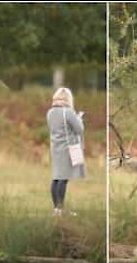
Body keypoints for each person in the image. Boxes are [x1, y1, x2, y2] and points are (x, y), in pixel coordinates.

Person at [47, 87, 85, 216]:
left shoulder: (50, 112)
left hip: (55, 148)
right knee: (63, 178)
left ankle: (56, 209)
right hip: (67, 148)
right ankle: (60, 209)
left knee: (56, 177)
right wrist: (79, 117)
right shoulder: (68, 112)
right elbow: (79, 129)